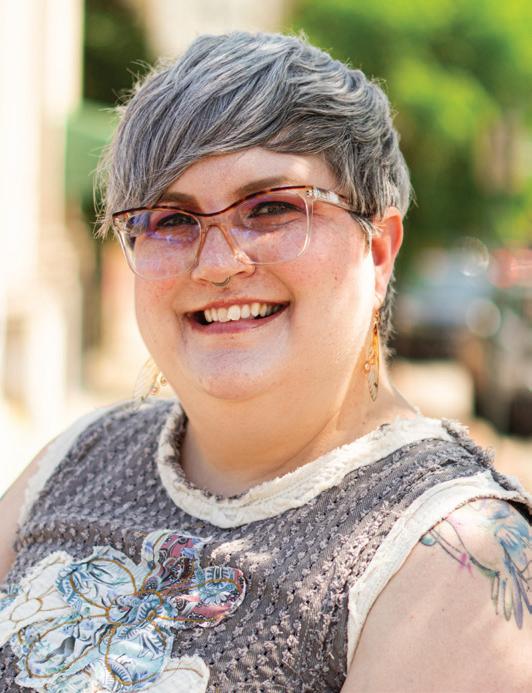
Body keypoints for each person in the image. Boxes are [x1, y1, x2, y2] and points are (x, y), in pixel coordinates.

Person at [0, 31, 530, 693]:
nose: (219, 263)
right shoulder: (75, 460)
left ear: (378, 250)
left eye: (272, 208)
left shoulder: (457, 556)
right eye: (171, 219)